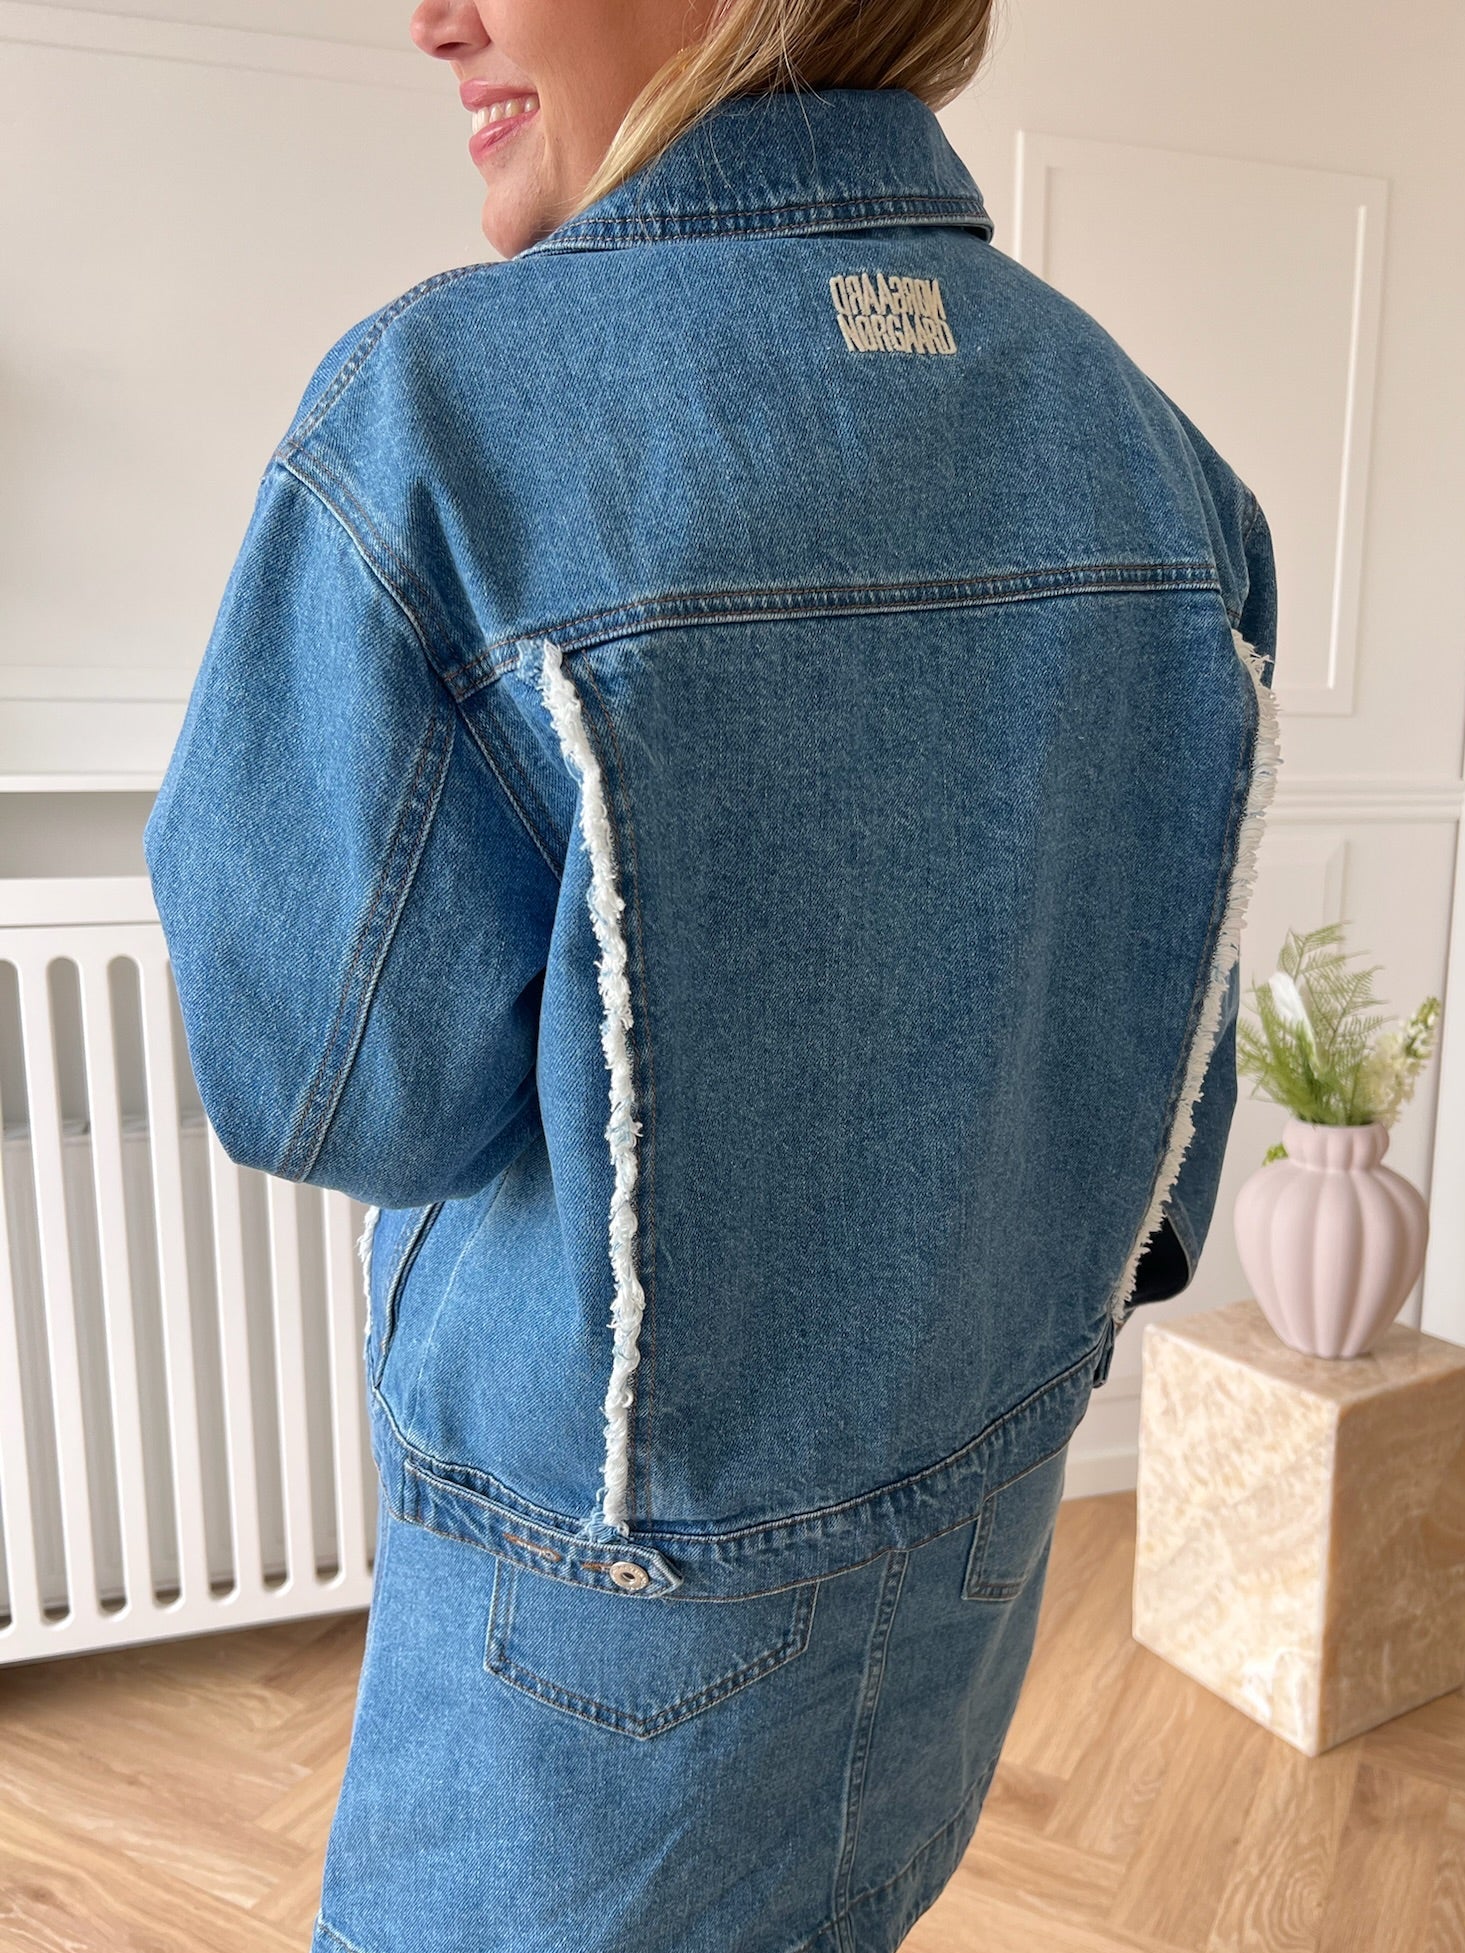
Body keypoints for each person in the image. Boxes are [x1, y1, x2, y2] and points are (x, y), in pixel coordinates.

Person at [142, 1, 1282, 1948]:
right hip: (975, 1546)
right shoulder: (1159, 462)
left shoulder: (446, 422)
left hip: (605, 1621)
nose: (430, 18)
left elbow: (322, 1090)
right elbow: (1164, 1129)